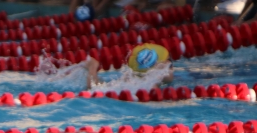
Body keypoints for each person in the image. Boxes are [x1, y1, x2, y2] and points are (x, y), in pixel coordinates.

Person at [42, 43, 174, 89]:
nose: (171, 65)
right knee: (96, 86)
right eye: (169, 62)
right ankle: (92, 67)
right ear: (156, 68)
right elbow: (92, 89)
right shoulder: (147, 84)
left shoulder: (139, 80)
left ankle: (92, 68)